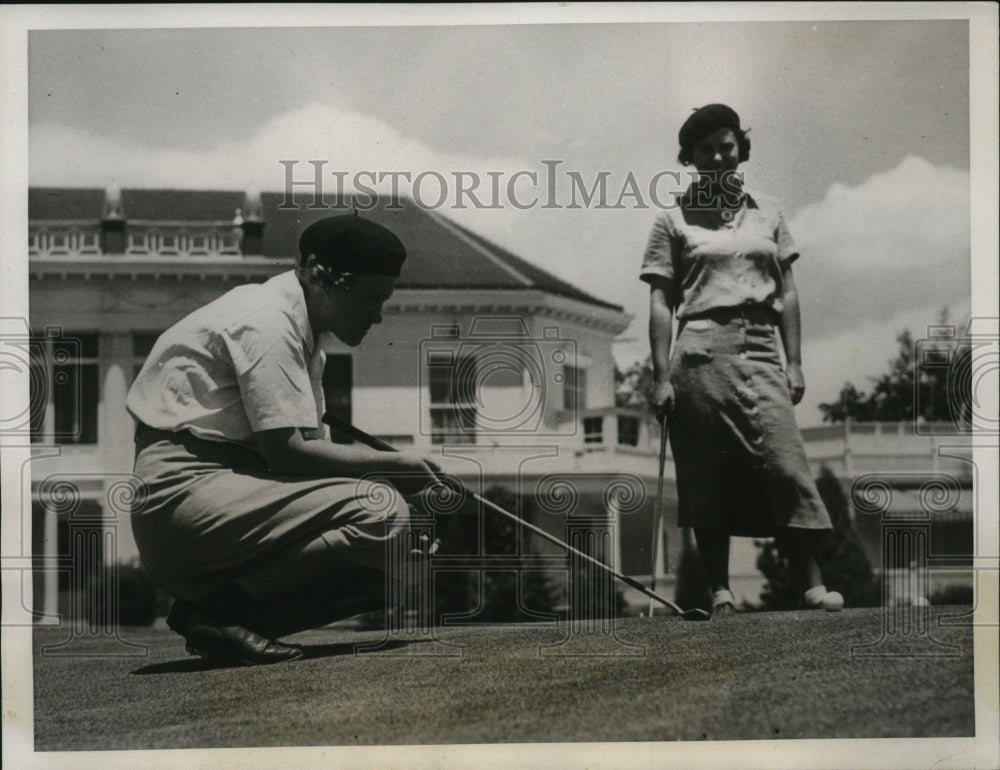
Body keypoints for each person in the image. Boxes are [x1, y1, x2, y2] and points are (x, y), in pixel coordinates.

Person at [127, 214, 448, 664]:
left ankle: (215, 618)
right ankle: (220, 614)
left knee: (395, 556)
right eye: (372, 298)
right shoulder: (267, 321)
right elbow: (288, 454)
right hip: (184, 494)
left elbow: (309, 458)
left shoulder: (297, 330)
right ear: (324, 280)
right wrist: (399, 468)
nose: (377, 315)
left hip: (216, 496)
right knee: (381, 509)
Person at [640, 104, 843, 616]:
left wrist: (794, 361)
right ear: (689, 157)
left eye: (725, 146)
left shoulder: (769, 211)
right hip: (700, 353)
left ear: (740, 149)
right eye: (705, 149)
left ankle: (813, 585)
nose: (717, 156)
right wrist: (661, 376)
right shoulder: (671, 219)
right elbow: (661, 301)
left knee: (786, 466)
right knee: (707, 474)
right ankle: (720, 591)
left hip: (760, 346)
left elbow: (789, 292)